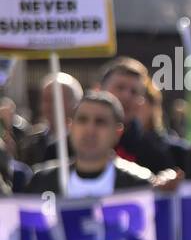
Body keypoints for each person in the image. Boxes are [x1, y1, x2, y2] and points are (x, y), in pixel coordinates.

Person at [24, 92, 176, 196]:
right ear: (71, 127)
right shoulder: (41, 181)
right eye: (82, 120)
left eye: (100, 122)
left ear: (118, 133)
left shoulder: (140, 184)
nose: (90, 130)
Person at [97, 57, 179, 172]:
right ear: (99, 90)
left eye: (134, 92)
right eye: (120, 87)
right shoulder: (73, 143)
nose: (126, 96)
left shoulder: (155, 152)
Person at [19, 71, 82, 167]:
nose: (48, 106)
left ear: (74, 103)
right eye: (45, 99)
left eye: (54, 99)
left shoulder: (82, 142)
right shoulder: (31, 141)